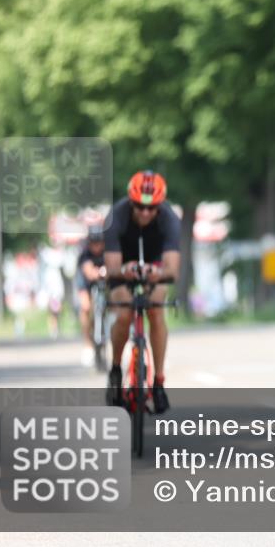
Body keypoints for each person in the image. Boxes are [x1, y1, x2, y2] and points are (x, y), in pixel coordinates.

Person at [103, 170, 180, 414]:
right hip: (122, 267)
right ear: (131, 202)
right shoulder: (116, 216)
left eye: (152, 208)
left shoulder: (169, 219)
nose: (145, 212)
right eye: (139, 206)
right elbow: (113, 268)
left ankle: (158, 382)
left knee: (156, 311)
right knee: (124, 314)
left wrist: (156, 273)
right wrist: (125, 269)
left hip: (155, 266)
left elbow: (172, 270)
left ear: (160, 206)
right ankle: (116, 370)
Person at [75, 226, 107, 366]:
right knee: (86, 307)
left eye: (99, 242)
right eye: (93, 242)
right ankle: (87, 344)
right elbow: (89, 272)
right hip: (85, 282)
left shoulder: (107, 252)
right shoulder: (85, 254)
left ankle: (103, 331)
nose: (96, 246)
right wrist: (100, 273)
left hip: (104, 282)